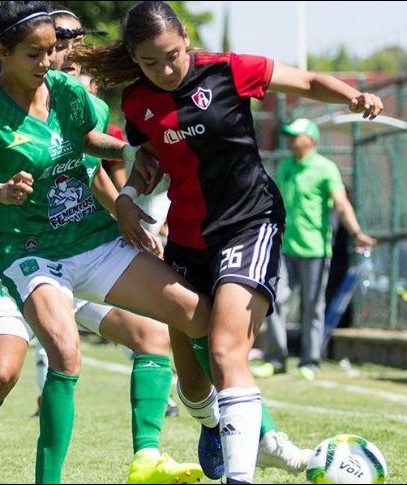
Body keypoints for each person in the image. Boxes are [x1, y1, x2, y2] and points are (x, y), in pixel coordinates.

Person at [74, 3, 383, 482]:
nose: (165, 70)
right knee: (193, 381)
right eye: (149, 63)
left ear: (186, 41)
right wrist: (130, 198)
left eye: (172, 56)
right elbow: (151, 162)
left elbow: (305, 82)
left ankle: (241, 474)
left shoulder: (230, 70)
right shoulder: (137, 102)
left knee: (223, 351)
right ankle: (216, 425)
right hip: (188, 238)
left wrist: (351, 96)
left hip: (249, 224)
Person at [0, 3, 215, 484]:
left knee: (185, 319)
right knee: (11, 372)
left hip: (88, 244)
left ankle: (206, 437)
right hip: (29, 255)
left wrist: (130, 154)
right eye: (38, 52)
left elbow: (89, 145)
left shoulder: (65, 90)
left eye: (56, 49)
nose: (50, 60)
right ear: (4, 52)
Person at [253, 119, 376, 381]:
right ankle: (275, 359)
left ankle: (311, 361)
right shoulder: (286, 166)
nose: (291, 140)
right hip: (285, 249)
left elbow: (341, 203)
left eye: (296, 135)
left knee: (313, 307)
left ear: (311, 139)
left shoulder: (325, 168)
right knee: (274, 299)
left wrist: (356, 232)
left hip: (316, 251)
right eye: (289, 135)